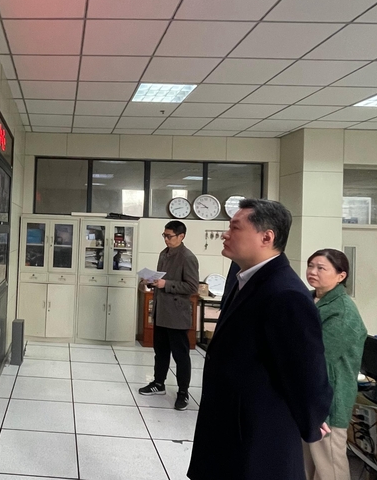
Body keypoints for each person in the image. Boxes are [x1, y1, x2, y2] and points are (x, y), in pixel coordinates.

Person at [188, 199, 332, 480]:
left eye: (235, 228)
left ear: (267, 237)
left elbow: (305, 370)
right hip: (228, 426)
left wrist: (311, 418)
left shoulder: (285, 293)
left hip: (257, 438)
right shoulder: (244, 278)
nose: (225, 234)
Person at [303, 249, 367, 480]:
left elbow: (318, 356)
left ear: (341, 276)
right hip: (306, 395)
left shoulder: (343, 311)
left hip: (330, 398)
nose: (313, 271)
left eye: (321, 268)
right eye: (311, 265)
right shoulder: (310, 298)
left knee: (329, 464)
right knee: (306, 464)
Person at [139, 220, 199, 410]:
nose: (166, 239)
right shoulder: (163, 254)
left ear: (181, 236)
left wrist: (167, 284)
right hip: (161, 311)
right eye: (164, 235)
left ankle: (183, 392)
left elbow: (192, 287)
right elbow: (161, 279)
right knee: (161, 352)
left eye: (169, 236)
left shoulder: (188, 257)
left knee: (181, 356)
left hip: (177, 315)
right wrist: (151, 281)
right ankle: (158, 383)